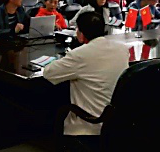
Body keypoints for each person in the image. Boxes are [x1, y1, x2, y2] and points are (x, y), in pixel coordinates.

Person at [44, 11, 129, 144]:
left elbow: (48, 73)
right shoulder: (122, 49)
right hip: (117, 120)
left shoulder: (79, 55)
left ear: (81, 34)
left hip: (91, 124)